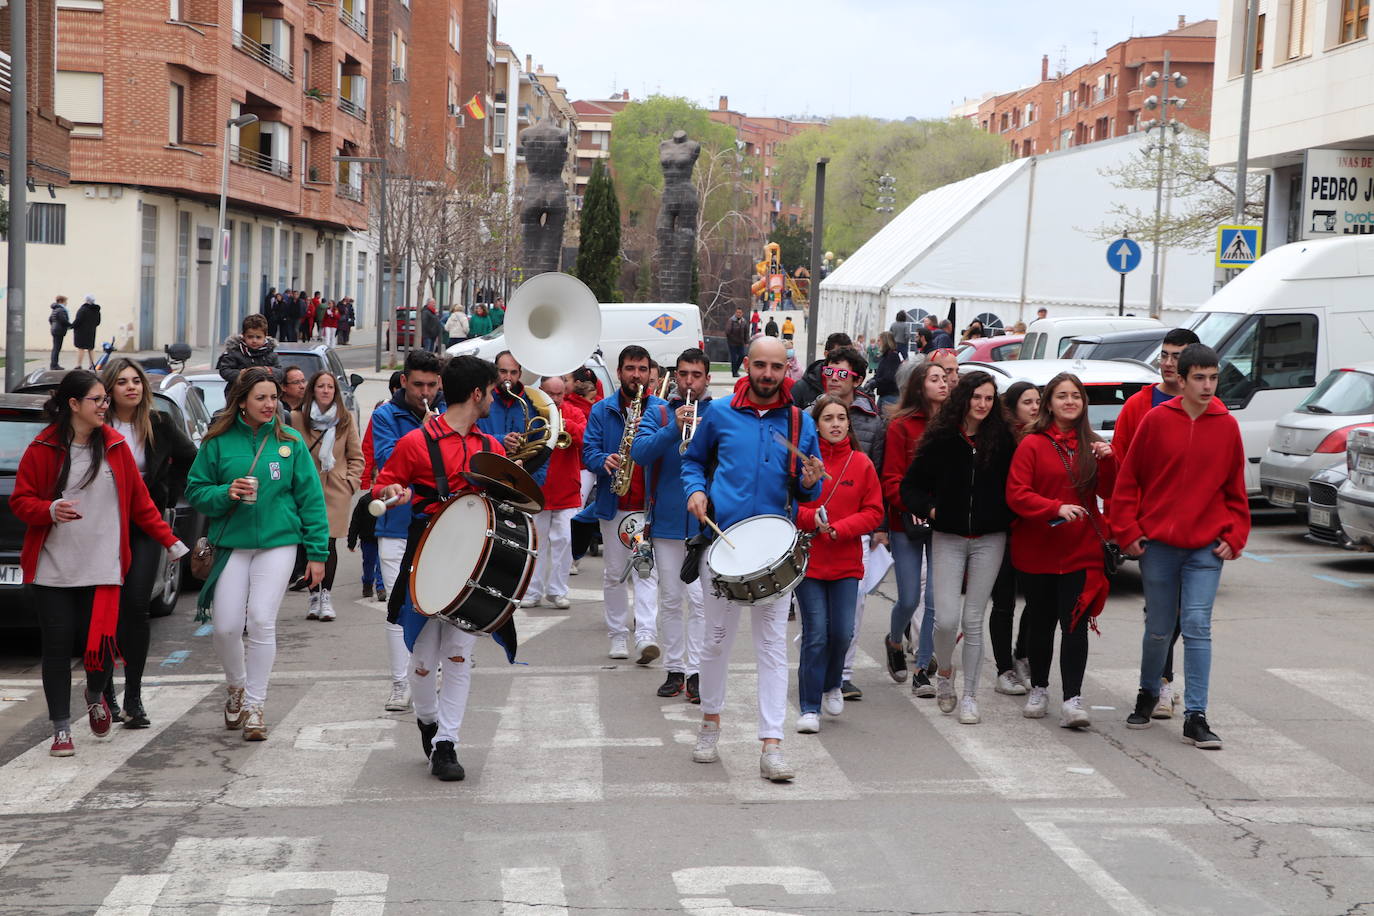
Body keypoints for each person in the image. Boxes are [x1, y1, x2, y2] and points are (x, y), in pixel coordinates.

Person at [11, 371, 187, 757]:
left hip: (104, 566)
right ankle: (60, 729)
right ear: (74, 405)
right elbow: (21, 501)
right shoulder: (43, 448)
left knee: (101, 645)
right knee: (57, 646)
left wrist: (170, 541)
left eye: (106, 400)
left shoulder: (116, 447)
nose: (105, 406)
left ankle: (95, 694)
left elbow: (141, 503)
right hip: (54, 566)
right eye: (98, 400)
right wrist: (50, 509)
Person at [683, 337, 823, 781]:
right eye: (760, 365)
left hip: (773, 551)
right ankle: (710, 723)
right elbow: (692, 463)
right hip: (722, 545)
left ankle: (771, 745)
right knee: (716, 642)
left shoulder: (800, 423)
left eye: (776, 367)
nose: (767, 374)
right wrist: (696, 491)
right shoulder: (719, 413)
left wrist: (810, 481)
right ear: (746, 365)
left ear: (788, 370)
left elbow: (808, 488)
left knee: (771, 648)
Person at [371, 355, 510, 781]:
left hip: (473, 559)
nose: (494, 397)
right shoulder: (416, 442)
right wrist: (391, 490)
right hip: (426, 554)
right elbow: (382, 483)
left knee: (459, 652)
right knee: (424, 655)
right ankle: (428, 722)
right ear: (476, 393)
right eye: (491, 389)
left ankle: (447, 743)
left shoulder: (492, 447)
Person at [1113, 344, 1250, 750]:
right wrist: (1128, 530)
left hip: (1206, 549)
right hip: (1158, 546)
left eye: (1213, 378)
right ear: (1182, 379)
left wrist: (1234, 535)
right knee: (1159, 629)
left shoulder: (1227, 426)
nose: (1208, 386)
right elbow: (1129, 481)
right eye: (1200, 378)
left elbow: (1235, 490)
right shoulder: (1156, 421)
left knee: (1196, 626)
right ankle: (1147, 691)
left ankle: (1196, 716)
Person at [185, 367, 328, 741]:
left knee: (262, 620)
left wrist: (317, 554)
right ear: (242, 402)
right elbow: (196, 489)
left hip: (279, 543)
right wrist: (224, 493)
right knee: (227, 627)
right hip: (232, 544)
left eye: (273, 397)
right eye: (260, 398)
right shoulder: (216, 442)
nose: (269, 404)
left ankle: (254, 706)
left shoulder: (290, 441)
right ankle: (236, 684)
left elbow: (311, 501)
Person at [901, 370, 1015, 725]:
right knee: (947, 620)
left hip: (989, 539)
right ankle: (945, 673)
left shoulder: (1003, 440)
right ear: (963, 398)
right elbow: (910, 489)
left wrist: (1002, 515)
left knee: (974, 620)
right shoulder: (941, 438)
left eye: (989, 398)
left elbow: (1018, 486)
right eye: (976, 397)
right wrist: (933, 510)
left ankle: (969, 696)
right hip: (948, 538)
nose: (982, 404)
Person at [1006, 373, 1116, 727]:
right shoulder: (1032, 443)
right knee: (1040, 622)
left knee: (1075, 624)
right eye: (1062, 396)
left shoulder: (1093, 444)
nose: (1070, 402)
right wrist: (1055, 508)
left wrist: (1109, 460)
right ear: (1049, 403)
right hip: (1038, 547)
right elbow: (1017, 494)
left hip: (1081, 548)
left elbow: (1111, 490)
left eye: (1076, 396)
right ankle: (1039, 687)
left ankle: (1073, 699)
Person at [99, 358, 197, 728]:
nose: (131, 387)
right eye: (122, 381)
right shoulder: (98, 426)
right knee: (104, 608)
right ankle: (103, 691)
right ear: (109, 389)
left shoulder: (158, 423)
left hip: (144, 524)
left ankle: (134, 696)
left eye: (136, 381)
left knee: (136, 604)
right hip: (102, 526)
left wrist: (166, 493)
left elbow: (189, 459)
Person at [1111, 327, 1201, 718]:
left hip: (1196, 530)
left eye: (1176, 356)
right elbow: (1122, 468)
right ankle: (1161, 684)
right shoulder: (1139, 405)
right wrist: (1126, 526)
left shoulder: (1208, 406)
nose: (1167, 363)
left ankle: (1162, 682)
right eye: (1163, 355)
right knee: (1159, 614)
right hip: (1151, 528)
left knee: (1188, 613)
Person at [794, 395, 883, 733]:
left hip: (846, 561)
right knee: (816, 634)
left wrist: (841, 529)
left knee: (842, 633)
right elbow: (790, 507)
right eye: (828, 418)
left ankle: (833, 683)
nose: (835, 423)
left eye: (841, 418)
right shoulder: (806, 462)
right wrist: (810, 518)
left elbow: (874, 511)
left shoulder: (861, 463)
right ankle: (809, 706)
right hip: (810, 562)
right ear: (816, 424)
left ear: (848, 423)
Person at [631, 348, 712, 702]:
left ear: (707, 379)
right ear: (674, 377)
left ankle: (696, 671)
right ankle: (675, 669)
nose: (689, 381)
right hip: (665, 521)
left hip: (703, 521)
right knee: (670, 598)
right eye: (683, 374)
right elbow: (640, 452)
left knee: (699, 601)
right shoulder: (658, 410)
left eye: (696, 375)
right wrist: (672, 427)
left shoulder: (719, 413)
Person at [583, 346, 667, 663]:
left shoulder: (661, 410)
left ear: (649, 373)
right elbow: (588, 451)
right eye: (630, 368)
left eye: (642, 369)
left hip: (648, 506)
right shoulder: (602, 410)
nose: (636, 375)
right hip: (614, 503)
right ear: (619, 372)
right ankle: (618, 635)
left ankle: (645, 635)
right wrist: (604, 459)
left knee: (647, 572)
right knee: (615, 574)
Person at [370, 350, 444, 712]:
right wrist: (424, 434)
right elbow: (389, 461)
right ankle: (400, 683)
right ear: (404, 382)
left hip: (437, 527)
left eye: (432, 384)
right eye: (418, 385)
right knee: (397, 606)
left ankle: (433, 672)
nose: (424, 392)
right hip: (395, 526)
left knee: (439, 606)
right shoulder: (385, 415)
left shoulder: (450, 415)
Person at [816, 347, 886, 700]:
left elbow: (877, 474)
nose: (833, 377)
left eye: (842, 373)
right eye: (829, 371)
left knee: (852, 609)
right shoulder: (807, 415)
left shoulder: (872, 420)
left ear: (857, 379)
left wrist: (878, 528)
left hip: (855, 531)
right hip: (814, 534)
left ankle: (842, 674)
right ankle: (817, 670)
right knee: (818, 619)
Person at [880, 362, 948, 696]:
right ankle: (894, 642)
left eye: (945, 378)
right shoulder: (901, 426)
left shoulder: (954, 425)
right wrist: (920, 506)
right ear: (919, 387)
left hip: (944, 522)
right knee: (909, 597)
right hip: (906, 521)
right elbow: (891, 480)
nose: (943, 384)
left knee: (935, 597)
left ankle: (922, 668)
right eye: (934, 379)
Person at [289, 370, 364, 621]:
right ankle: (313, 596)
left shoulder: (344, 419)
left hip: (335, 490)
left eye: (330, 387)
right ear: (313, 390)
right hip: (306, 489)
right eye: (320, 386)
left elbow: (356, 457)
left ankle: (326, 596)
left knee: (329, 544)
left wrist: (350, 483)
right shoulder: (297, 418)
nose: (325, 391)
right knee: (310, 543)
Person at [988, 381, 1040, 697]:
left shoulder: (1044, 437)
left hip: (1035, 530)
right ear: (1012, 407)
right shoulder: (1002, 440)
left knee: (1036, 600)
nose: (1035, 407)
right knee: (1004, 602)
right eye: (1028, 401)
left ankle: (1023, 654)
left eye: (1038, 401)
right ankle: (1003, 668)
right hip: (1003, 530)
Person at [522, 374, 586, 610]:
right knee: (536, 544)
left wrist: (565, 425)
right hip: (538, 489)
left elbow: (584, 437)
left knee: (565, 541)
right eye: (551, 394)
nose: (557, 399)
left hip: (567, 488)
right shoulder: (532, 413)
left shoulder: (573, 412)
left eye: (560, 394)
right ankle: (532, 591)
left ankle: (558, 591)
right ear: (541, 391)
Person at [478, 352, 551, 491]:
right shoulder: (481, 399)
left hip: (520, 482)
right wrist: (501, 440)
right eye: (503, 372)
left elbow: (543, 446)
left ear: (520, 374)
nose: (508, 378)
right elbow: (471, 436)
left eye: (513, 373)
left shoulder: (532, 402)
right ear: (494, 372)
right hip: (485, 478)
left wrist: (535, 481)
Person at [217, 314, 282, 386]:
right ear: (243, 336)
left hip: (264, 391)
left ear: (265, 336)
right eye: (250, 337)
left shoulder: (271, 354)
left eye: (258, 337)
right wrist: (242, 374)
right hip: (240, 393)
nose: (254, 341)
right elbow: (224, 370)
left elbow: (280, 372)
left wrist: (268, 371)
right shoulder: (235, 352)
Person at [790, 332, 852, 407]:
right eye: (838, 355)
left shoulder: (857, 390)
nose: (844, 360)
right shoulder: (802, 388)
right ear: (826, 354)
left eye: (849, 355)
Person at [347, 490, 384, 599]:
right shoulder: (364, 500)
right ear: (372, 482)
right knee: (368, 563)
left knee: (381, 563)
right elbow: (356, 521)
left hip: (383, 538)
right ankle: (367, 584)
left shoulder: (389, 500)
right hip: (368, 539)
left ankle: (381, 587)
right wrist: (351, 541)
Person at [71, 295, 102, 370]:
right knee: (90, 348)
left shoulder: (83, 309)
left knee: (81, 348)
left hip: (81, 332)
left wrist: (72, 326)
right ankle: (92, 364)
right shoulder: (96, 310)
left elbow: (78, 320)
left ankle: (79, 365)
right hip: (91, 331)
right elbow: (98, 322)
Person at [872, 332, 901, 408]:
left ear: (884, 342)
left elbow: (889, 377)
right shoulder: (887, 355)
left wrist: (875, 382)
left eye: (879, 340)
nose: (877, 343)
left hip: (890, 395)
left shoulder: (892, 356)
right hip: (885, 394)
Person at [48, 295, 71, 370]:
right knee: (57, 348)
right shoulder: (61, 310)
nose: (66, 303)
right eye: (65, 301)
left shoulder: (55, 309)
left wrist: (53, 325)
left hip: (55, 329)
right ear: (62, 301)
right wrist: (71, 325)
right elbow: (63, 320)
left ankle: (54, 364)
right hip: (59, 330)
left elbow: (50, 319)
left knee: (55, 348)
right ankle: (54, 365)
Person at [726, 306, 749, 378]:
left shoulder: (744, 322)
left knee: (742, 356)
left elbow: (746, 332)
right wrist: (731, 338)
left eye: (740, 313)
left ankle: (736, 369)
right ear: (735, 313)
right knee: (734, 358)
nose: (738, 314)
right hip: (732, 343)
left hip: (741, 343)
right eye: (737, 312)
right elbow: (727, 331)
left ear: (742, 313)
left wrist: (746, 341)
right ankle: (734, 372)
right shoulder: (731, 321)